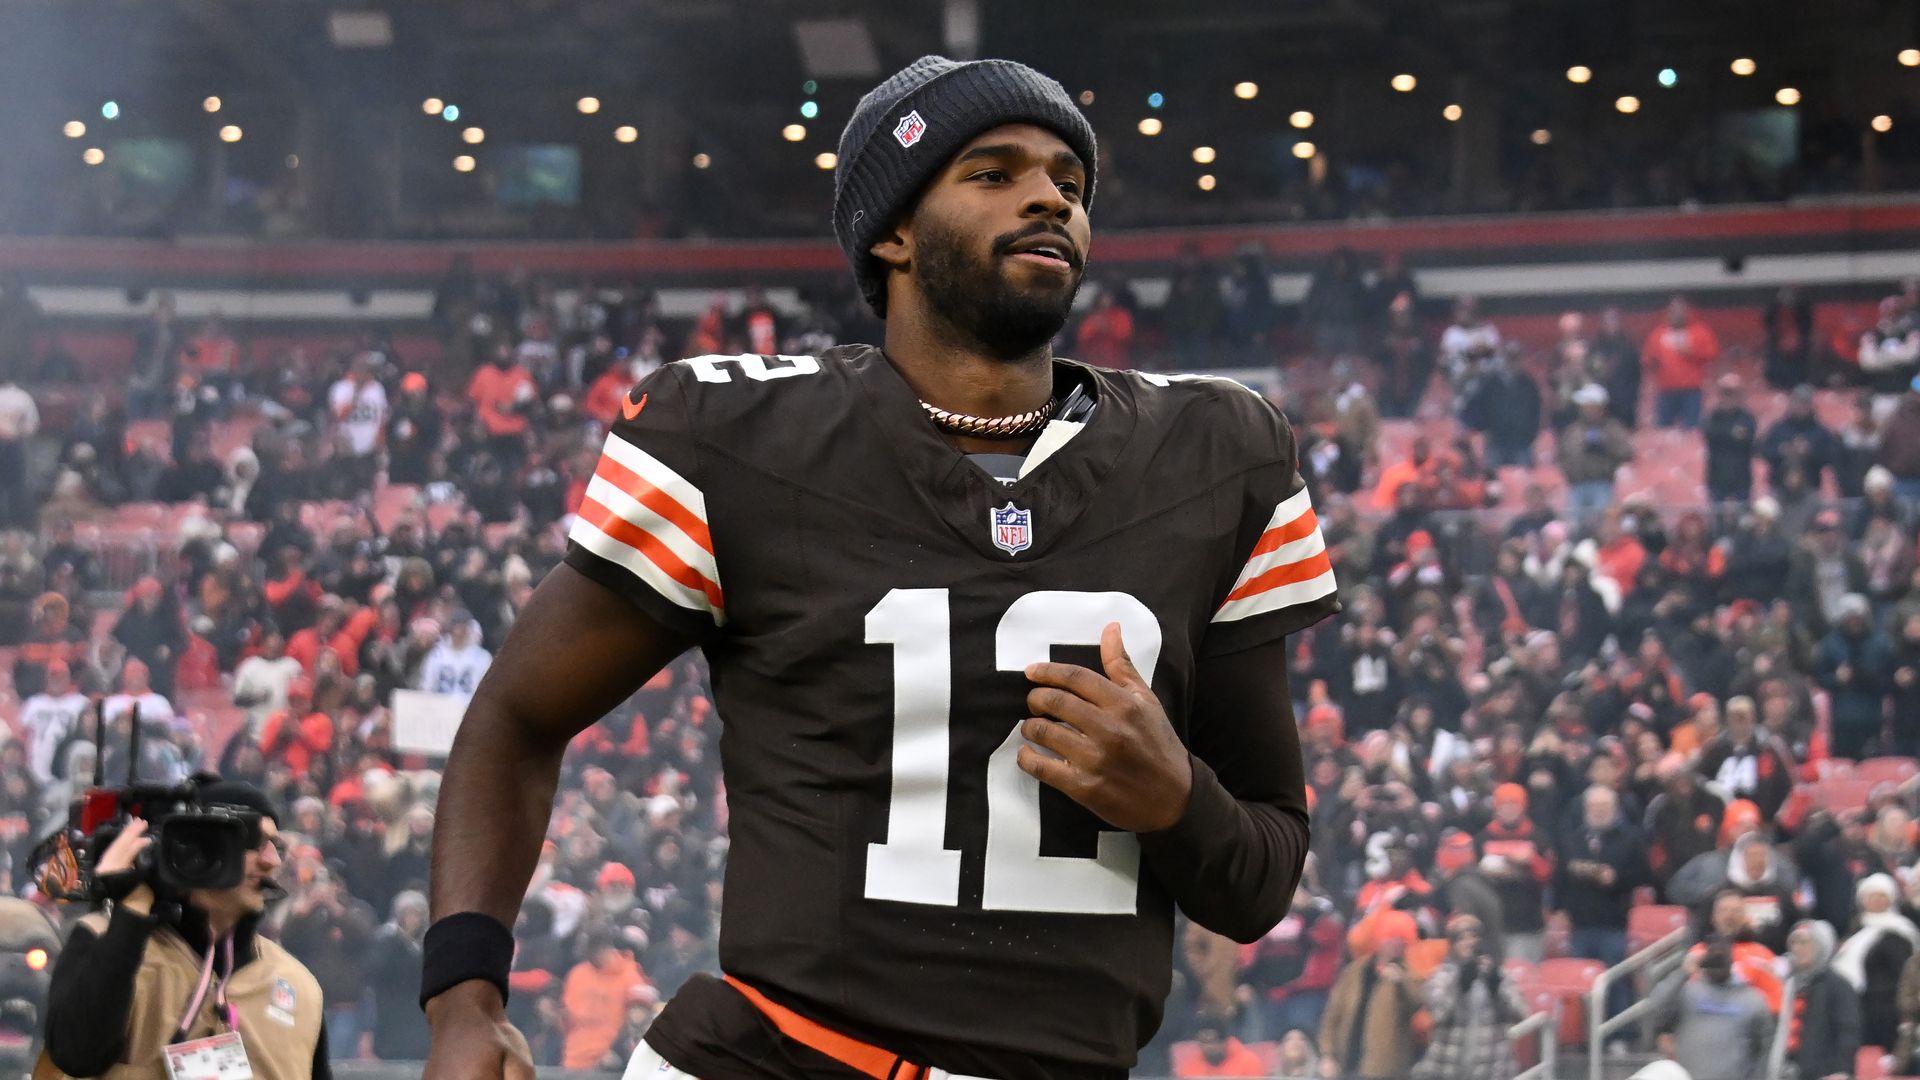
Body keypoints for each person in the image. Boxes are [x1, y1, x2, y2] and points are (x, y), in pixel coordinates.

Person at [423, 55, 1335, 1080]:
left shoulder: (1219, 452)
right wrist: (465, 998)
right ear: (892, 231)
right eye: (993, 172)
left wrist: (1177, 801)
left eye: (1069, 184)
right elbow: (515, 714)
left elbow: (1258, 882)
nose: (1048, 196)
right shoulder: (737, 435)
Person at [42, 780, 329, 1080]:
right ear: (200, 846)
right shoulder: (103, 938)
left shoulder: (298, 986)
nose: (271, 861)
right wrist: (132, 913)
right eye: (254, 842)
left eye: (276, 846)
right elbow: (76, 1054)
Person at [1411, 915, 1527, 1080]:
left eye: (1473, 937)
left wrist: (1496, 988)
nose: (1468, 942)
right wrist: (1460, 986)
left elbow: (1521, 1014)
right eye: (1461, 939)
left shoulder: (1499, 975)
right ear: (1453, 945)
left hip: (1492, 1068)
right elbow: (1437, 1014)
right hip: (1447, 1069)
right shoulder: (1440, 976)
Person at [1647, 936, 1773, 1080]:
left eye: (1722, 959)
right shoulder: (1689, 992)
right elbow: (1656, 1005)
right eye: (1714, 958)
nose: (1718, 965)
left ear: (1731, 961)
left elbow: (1764, 1049)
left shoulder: (1752, 999)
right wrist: (1683, 973)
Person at [1317, 911, 1424, 1080]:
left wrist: (1401, 982)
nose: (1396, 944)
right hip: (1345, 1064)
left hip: (1383, 1070)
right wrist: (1327, 1055)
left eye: (1401, 939)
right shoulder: (1354, 971)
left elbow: (1418, 1004)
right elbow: (1332, 1015)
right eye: (1391, 937)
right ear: (1378, 938)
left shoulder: (1409, 975)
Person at [1785, 920, 1860, 1080]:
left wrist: (1841, 1070)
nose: (1798, 948)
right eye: (1794, 942)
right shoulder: (1787, 983)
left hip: (1824, 1072)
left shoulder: (1838, 985)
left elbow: (1848, 1031)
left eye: (1805, 943)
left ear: (1822, 946)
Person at [1557, 384, 1632, 527]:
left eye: (1588, 405)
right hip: (1577, 484)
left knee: (1601, 522)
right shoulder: (1573, 430)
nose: (1584, 409)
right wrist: (1569, 471)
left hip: (1602, 483)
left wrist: (1605, 446)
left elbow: (1625, 452)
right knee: (1574, 525)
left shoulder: (1612, 428)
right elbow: (1562, 455)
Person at [1642, 297, 1720, 429]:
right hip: (1666, 391)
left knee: (1692, 428)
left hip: (1691, 390)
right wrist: (1653, 362)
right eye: (1674, 311)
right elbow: (1647, 358)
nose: (1677, 314)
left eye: (1680, 310)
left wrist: (1691, 352)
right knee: (1663, 429)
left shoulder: (1699, 331)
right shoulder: (1659, 333)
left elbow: (1712, 353)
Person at [1700, 374, 1756, 505]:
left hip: (1741, 475)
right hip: (1716, 475)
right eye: (1725, 394)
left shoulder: (1746, 417)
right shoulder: (1713, 417)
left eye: (1732, 394)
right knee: (1716, 518)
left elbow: (1749, 437)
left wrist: (1727, 434)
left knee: (1743, 519)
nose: (1728, 398)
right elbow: (1710, 435)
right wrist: (1732, 433)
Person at [1172, 1011, 1266, 1079]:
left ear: (1225, 1042)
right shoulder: (1189, 1068)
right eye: (1203, 1042)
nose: (1208, 1047)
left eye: (1212, 1041)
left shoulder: (1249, 1063)